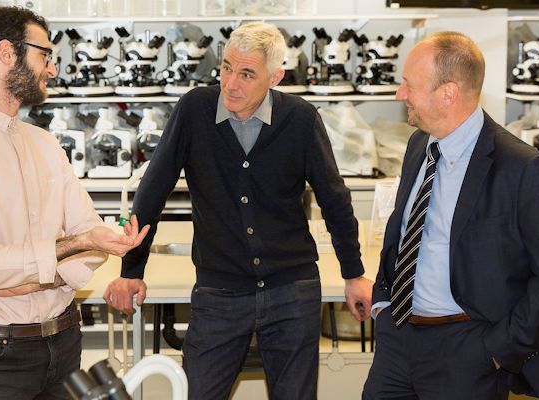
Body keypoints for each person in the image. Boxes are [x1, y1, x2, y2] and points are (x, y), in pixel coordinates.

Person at [104, 21, 373, 399]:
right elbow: (153, 190)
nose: (231, 83)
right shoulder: (194, 110)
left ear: (275, 76)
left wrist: (354, 272)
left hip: (291, 289)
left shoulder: (300, 119)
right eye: (227, 67)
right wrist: (131, 269)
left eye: (247, 74)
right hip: (220, 290)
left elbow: (334, 198)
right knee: (197, 392)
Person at [0, 7, 148, 399]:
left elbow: (94, 244)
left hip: (65, 341)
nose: (52, 70)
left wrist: (25, 281)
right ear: (7, 53)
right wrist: (71, 249)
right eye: (45, 55)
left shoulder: (44, 143)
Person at [362, 32, 539, 400]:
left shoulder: (521, 168)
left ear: (448, 93)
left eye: (408, 85)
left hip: (468, 347)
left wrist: (498, 350)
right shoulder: (420, 144)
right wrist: (383, 302)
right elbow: (405, 232)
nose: (399, 94)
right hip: (397, 339)